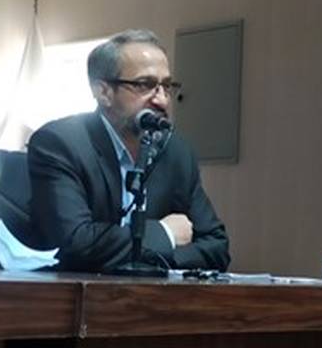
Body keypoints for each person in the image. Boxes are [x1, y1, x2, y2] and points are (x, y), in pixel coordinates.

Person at [27, 29, 229, 273]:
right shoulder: (60, 143)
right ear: (103, 92)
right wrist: (164, 235)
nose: (162, 100)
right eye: (145, 85)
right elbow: (76, 242)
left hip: (151, 293)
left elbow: (217, 247)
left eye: (166, 86)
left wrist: (151, 262)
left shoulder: (175, 151)